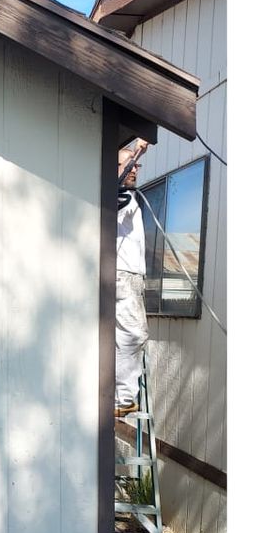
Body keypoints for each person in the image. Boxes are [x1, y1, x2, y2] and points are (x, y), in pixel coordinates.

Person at [114, 137, 149, 415]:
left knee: (127, 335)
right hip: (123, 276)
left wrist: (135, 154)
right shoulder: (117, 194)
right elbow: (119, 186)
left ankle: (122, 396)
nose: (133, 169)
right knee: (133, 334)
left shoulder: (130, 195)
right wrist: (137, 150)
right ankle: (123, 399)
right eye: (126, 165)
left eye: (135, 165)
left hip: (130, 277)